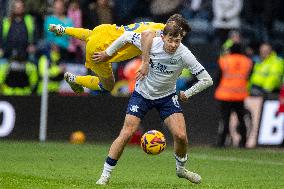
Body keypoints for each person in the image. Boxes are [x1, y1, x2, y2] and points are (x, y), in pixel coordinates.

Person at [94, 21, 213, 185]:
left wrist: (188, 93)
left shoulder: (184, 54)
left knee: (181, 136)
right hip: (141, 95)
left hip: (167, 97)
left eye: (177, 41)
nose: (173, 44)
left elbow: (207, 79)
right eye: (170, 40)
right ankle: (105, 175)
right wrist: (108, 54)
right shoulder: (152, 42)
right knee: (127, 132)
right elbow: (126, 36)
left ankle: (181, 169)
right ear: (163, 37)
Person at [48, 14, 189, 94]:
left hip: (105, 30)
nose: (179, 37)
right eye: (180, 32)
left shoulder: (157, 25)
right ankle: (74, 79)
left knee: (90, 35)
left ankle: (62, 29)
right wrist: (106, 53)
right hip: (101, 49)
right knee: (107, 86)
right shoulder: (159, 34)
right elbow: (131, 37)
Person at [214, 43, 252, 147]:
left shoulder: (224, 60)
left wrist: (217, 89)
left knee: (225, 119)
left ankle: (221, 142)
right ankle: (243, 142)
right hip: (240, 95)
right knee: (241, 118)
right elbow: (249, 76)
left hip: (225, 95)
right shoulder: (247, 61)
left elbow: (218, 77)